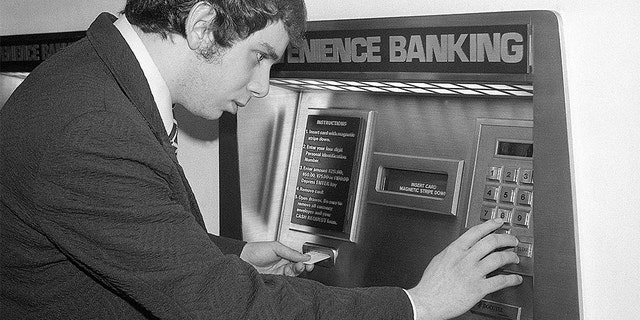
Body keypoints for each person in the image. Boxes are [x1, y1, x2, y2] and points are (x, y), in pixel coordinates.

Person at [0, 0, 522, 319]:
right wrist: (419, 304)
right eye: (259, 56)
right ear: (204, 25)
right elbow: (226, 310)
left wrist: (237, 255)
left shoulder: (95, 81)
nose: (261, 87)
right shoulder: (92, 127)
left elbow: (122, 227)